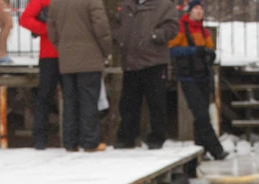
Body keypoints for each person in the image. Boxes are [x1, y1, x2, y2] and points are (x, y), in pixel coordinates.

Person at [112, 0, 178, 149]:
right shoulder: (127, 5)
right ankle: (126, 137)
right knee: (128, 103)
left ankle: (157, 137)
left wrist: (155, 36)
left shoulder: (164, 5)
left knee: (156, 102)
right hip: (130, 61)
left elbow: (173, 26)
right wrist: (120, 37)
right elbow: (116, 25)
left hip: (154, 61)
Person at [48, 0, 112, 152]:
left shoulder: (56, 3)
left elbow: (52, 31)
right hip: (90, 57)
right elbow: (101, 28)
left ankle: (70, 142)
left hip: (67, 58)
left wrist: (62, 48)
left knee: (70, 100)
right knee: (89, 100)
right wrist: (106, 50)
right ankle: (90, 141)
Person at [168, 0, 227, 160]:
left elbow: (210, 50)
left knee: (201, 114)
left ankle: (200, 148)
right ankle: (216, 149)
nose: (199, 11)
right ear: (190, 11)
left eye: (201, 8)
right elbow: (172, 50)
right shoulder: (181, 28)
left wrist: (209, 54)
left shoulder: (204, 31)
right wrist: (193, 50)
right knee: (201, 114)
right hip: (188, 77)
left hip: (203, 76)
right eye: (196, 8)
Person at [19, 0, 59, 149]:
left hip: (66, 54)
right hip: (49, 54)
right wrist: (46, 29)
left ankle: (71, 137)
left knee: (70, 97)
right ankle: (40, 138)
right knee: (45, 97)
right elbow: (25, 19)